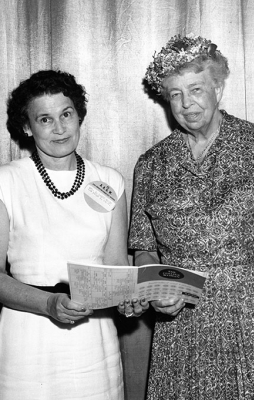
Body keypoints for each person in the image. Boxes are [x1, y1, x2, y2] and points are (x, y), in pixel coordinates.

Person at [129, 34, 254, 399]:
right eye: (174, 94)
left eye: (196, 89)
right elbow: (145, 250)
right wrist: (157, 290)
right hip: (181, 318)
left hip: (251, 315)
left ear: (218, 87)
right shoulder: (151, 164)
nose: (186, 104)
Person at [0, 69, 148, 399]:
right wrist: (48, 303)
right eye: (45, 119)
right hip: (29, 337)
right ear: (27, 127)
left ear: (79, 115)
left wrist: (129, 301)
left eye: (66, 114)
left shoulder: (109, 181)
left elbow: (114, 266)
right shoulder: (6, 182)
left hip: (92, 340)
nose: (60, 128)